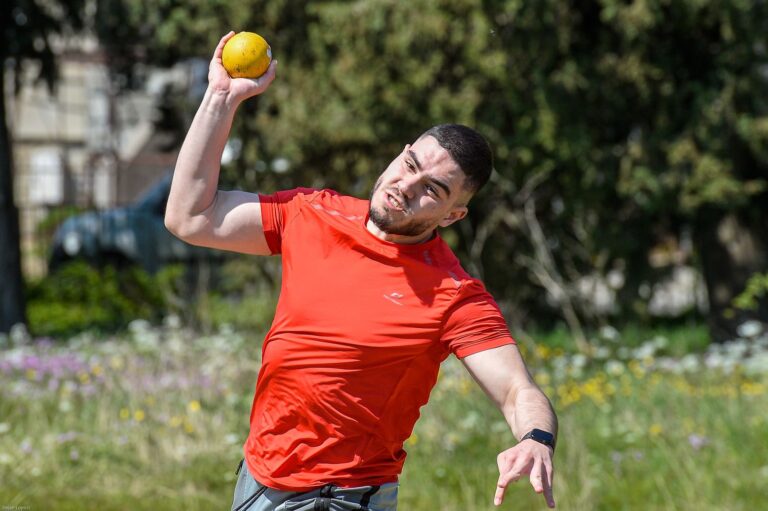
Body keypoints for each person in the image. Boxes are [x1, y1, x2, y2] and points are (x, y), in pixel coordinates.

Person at [165, 32, 558, 511]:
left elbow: (517, 390)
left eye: (432, 190)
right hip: (258, 478)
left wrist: (536, 438)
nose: (405, 186)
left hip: (338, 498)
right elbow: (190, 217)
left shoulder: (453, 294)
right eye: (409, 164)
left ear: (453, 215)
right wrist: (220, 99)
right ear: (401, 151)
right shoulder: (312, 213)